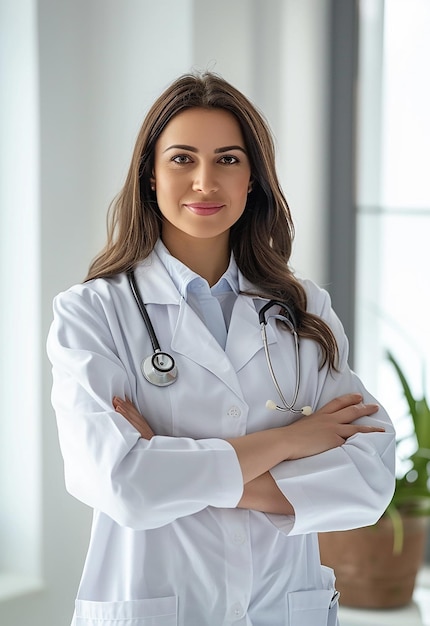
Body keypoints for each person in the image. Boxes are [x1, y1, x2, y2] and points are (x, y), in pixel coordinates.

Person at [47, 72, 396, 626]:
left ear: (252, 178)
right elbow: (120, 485)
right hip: (154, 606)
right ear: (150, 177)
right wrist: (289, 442)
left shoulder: (303, 308)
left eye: (228, 160)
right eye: (183, 159)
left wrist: (168, 458)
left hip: (284, 607)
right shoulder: (93, 312)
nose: (205, 182)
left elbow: (368, 482)